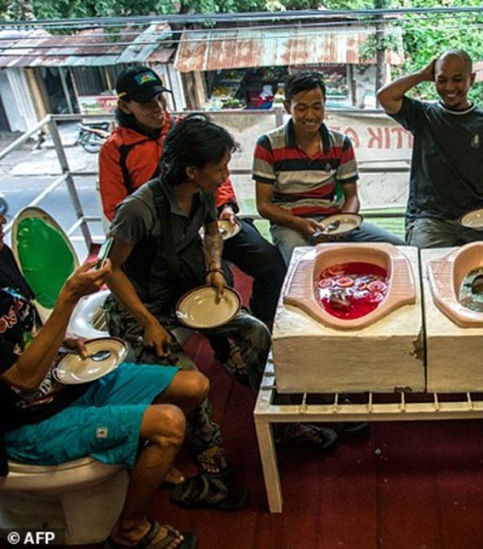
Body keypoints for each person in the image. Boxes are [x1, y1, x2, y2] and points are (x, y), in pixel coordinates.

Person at [106, 116, 337, 454]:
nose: (226, 175)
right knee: (192, 384)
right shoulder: (138, 209)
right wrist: (149, 323)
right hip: (143, 308)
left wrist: (214, 267)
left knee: (257, 332)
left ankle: (284, 425)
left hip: (186, 293)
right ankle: (210, 458)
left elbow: (213, 233)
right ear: (191, 171)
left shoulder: (202, 191)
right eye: (220, 167)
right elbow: (110, 270)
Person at [0, 213, 203, 548]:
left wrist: (61, 338)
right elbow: (24, 379)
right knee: (169, 424)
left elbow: (25, 324)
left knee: (194, 386)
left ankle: (142, 457)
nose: (2, 219)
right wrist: (68, 298)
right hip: (25, 423)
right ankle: (129, 529)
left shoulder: (2, 255)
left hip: (63, 381)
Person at [99, 66, 286, 330]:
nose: (158, 108)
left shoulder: (185, 129)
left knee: (269, 262)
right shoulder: (116, 150)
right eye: (147, 103)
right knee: (214, 280)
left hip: (211, 219)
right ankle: (215, 331)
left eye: (160, 98)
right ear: (125, 106)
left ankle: (262, 317)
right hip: (160, 235)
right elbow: (115, 210)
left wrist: (226, 206)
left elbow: (215, 176)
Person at [253, 71, 404, 265]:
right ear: (287, 107)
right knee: (304, 265)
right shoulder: (268, 144)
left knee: (398, 248)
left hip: (332, 220)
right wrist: (299, 223)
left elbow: (352, 197)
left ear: (325, 104)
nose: (310, 115)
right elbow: (264, 205)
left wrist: (342, 224)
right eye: (302, 108)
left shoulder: (341, 143)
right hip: (289, 224)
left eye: (317, 107)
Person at [377, 49, 483, 248]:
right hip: (429, 219)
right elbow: (385, 97)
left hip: (479, 216)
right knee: (424, 264)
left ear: (471, 79)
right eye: (442, 80)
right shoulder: (423, 114)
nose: (449, 87)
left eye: (457, 79)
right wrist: (421, 75)